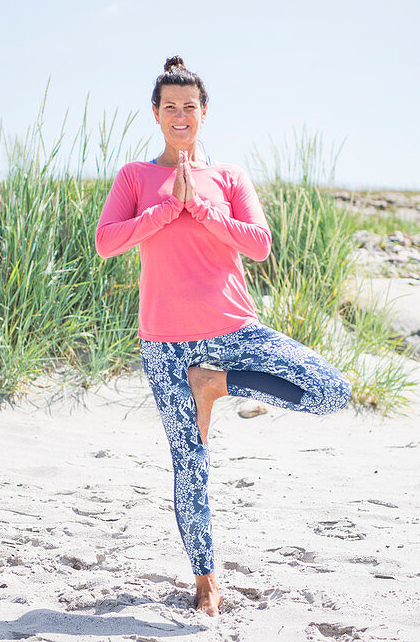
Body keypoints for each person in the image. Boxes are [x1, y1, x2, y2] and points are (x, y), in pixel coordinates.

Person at [94, 56, 351, 616]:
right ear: (156, 115)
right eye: (171, 107)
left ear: (204, 113)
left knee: (333, 391)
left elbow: (258, 245)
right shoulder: (136, 178)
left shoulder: (229, 177)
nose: (180, 115)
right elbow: (107, 242)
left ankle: (217, 384)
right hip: (164, 344)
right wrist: (168, 209)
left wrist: (203, 211)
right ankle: (206, 580)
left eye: (190, 106)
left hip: (234, 330)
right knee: (189, 464)